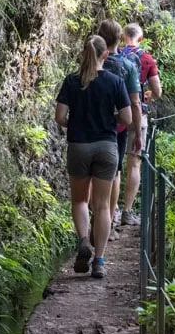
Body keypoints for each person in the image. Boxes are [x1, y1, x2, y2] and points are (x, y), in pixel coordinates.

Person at [55, 36, 132, 279]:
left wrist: (74, 123)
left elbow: (60, 117)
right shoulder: (115, 82)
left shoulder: (71, 81)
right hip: (107, 147)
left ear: (83, 54)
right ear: (105, 55)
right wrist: (111, 120)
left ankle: (83, 242)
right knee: (102, 206)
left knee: (79, 201)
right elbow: (128, 118)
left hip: (78, 146)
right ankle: (99, 260)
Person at [96, 19, 143, 229]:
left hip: (89, 127)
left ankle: (92, 226)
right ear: (119, 39)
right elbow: (135, 102)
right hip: (118, 129)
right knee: (114, 172)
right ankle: (110, 219)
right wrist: (138, 132)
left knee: (89, 176)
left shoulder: (91, 62)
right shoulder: (128, 66)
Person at [118, 22, 162, 224]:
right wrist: (149, 95)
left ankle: (113, 211)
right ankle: (127, 211)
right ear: (141, 38)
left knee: (115, 165)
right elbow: (158, 90)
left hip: (116, 114)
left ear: (122, 37)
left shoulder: (114, 55)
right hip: (138, 115)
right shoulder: (146, 58)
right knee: (134, 164)